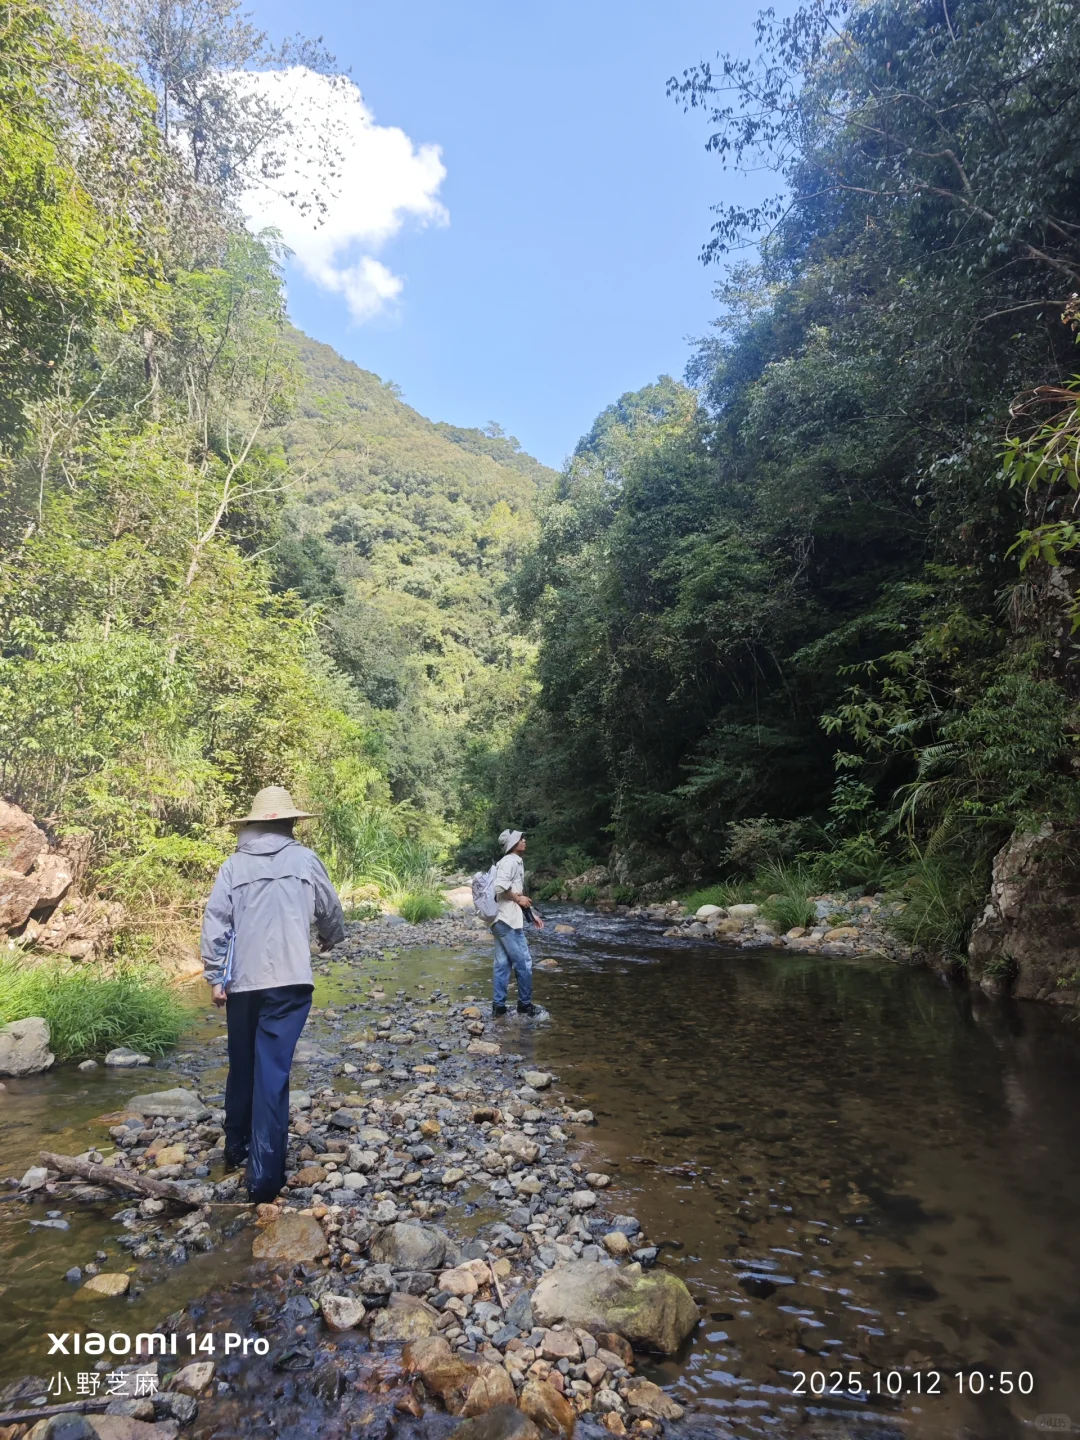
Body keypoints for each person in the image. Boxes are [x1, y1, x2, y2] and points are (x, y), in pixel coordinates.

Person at [200, 785, 344, 1204]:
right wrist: (330, 939)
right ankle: (264, 1176)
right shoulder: (305, 859)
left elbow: (217, 923)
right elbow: (330, 909)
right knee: (273, 1072)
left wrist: (215, 976)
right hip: (291, 979)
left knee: (241, 1062)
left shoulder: (232, 866)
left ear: (254, 824)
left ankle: (235, 1147)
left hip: (242, 981)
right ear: (289, 823)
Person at [489, 828, 544, 1018]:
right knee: (525, 963)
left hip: (501, 919)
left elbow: (513, 893)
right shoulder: (510, 862)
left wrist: (531, 915)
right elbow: (500, 888)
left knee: (503, 964)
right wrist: (519, 899)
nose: (524, 840)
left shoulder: (513, 862)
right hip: (507, 922)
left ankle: (499, 1007)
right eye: (521, 839)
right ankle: (525, 1005)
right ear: (513, 844)